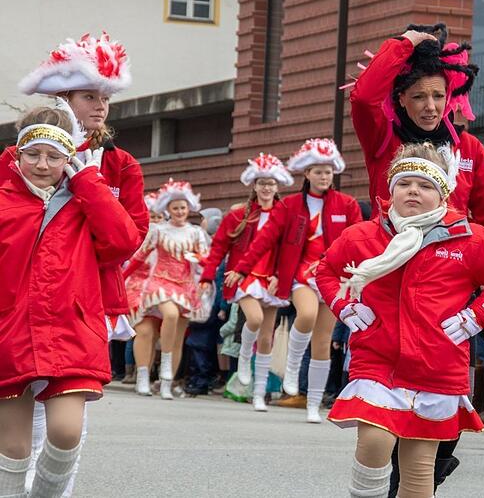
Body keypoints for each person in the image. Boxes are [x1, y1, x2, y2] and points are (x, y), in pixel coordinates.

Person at [350, 22, 484, 490]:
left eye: (438, 95)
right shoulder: (383, 141)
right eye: (418, 96)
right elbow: (361, 98)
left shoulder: (470, 150)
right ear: (401, 99)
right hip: (390, 290)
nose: (430, 106)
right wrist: (405, 45)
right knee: (386, 417)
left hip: (450, 296)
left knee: (439, 426)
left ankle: (423, 476)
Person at [313, 143, 484, 497]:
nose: (414, 190)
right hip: (377, 359)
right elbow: (327, 270)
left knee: (419, 469)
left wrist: (477, 316)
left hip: (438, 364)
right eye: (405, 183)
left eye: (425, 186)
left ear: (442, 194)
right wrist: (345, 306)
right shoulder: (362, 236)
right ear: (391, 189)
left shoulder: (468, 238)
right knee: (375, 438)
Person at [9, 33, 148, 497]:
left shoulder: (120, 164)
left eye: (106, 98)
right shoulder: (21, 160)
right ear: (64, 98)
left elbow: (125, 241)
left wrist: (88, 183)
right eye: (91, 96)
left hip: (90, 298)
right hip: (19, 302)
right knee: (20, 420)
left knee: (69, 422)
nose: (102, 107)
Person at [228, 138, 362, 423]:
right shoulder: (289, 206)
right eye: (318, 171)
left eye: (328, 171)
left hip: (336, 275)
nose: (324, 176)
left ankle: (313, 403)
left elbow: (358, 240)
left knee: (324, 342)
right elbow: (264, 240)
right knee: (308, 314)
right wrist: (242, 268)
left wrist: (363, 271)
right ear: (306, 174)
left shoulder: (347, 204)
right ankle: (291, 365)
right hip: (302, 274)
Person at [201, 153, 293, 412]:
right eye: (262, 182)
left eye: (271, 183)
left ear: (278, 187)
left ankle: (260, 391)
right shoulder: (239, 215)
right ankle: (243, 356)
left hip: (272, 280)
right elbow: (219, 247)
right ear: (254, 185)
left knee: (267, 338)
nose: (266, 188)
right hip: (243, 278)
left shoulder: (285, 215)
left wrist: (280, 275)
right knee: (253, 319)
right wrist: (207, 276)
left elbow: (289, 251)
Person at [127, 179, 209, 400]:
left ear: (189, 208)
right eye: (175, 208)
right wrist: (121, 278)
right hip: (158, 282)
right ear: (168, 210)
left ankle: (166, 382)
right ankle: (145, 376)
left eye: (183, 207)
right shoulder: (158, 231)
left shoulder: (195, 233)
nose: (180, 211)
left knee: (178, 336)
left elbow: (206, 260)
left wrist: (200, 263)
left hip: (185, 285)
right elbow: (139, 256)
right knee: (158, 323)